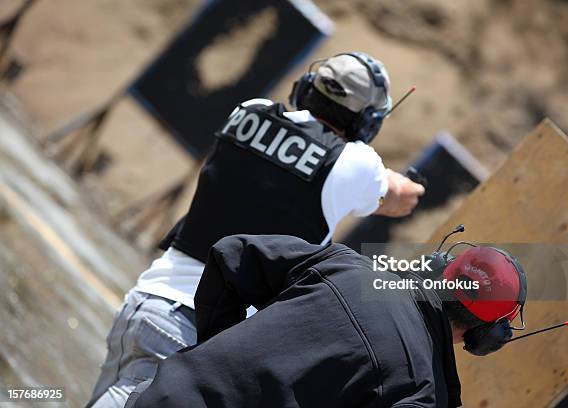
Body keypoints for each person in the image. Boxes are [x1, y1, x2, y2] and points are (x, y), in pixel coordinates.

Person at [87, 52, 426, 407]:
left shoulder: (249, 110)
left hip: (147, 304)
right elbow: (396, 196)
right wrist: (409, 186)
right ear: (366, 122)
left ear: (307, 87)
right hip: (191, 335)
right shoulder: (355, 164)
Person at [128, 234, 527, 408]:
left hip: (162, 395)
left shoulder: (348, 265)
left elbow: (231, 253)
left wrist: (217, 350)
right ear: (488, 334)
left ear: (441, 268)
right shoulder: (425, 391)